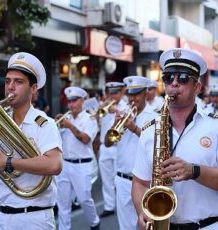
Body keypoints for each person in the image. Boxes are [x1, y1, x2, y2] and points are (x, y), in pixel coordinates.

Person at [132, 48, 218, 230]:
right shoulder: (149, 130)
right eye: (168, 78)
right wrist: (142, 210)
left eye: (183, 78)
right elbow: (139, 182)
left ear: (197, 87)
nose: (174, 84)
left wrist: (194, 171)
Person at [0, 52, 63, 229]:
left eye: (18, 82)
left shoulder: (45, 124)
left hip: (32, 218)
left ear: (33, 89)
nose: (10, 87)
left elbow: (54, 165)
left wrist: (9, 163)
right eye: (8, 81)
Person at [104, 76, 157, 230]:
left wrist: (133, 128)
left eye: (137, 94)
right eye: (130, 94)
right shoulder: (122, 113)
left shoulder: (154, 116)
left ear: (145, 94)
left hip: (144, 182)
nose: (133, 98)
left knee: (146, 224)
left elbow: (155, 143)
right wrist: (115, 124)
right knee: (125, 227)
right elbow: (108, 143)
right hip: (122, 179)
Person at [55, 86, 100, 230]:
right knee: (63, 202)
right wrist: (55, 126)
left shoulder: (90, 119)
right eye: (69, 101)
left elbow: (86, 139)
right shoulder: (66, 118)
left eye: (74, 101)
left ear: (82, 101)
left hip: (82, 165)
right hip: (65, 164)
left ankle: (94, 222)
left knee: (84, 199)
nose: (71, 104)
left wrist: (70, 126)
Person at [98, 82, 126, 218]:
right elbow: (98, 123)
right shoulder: (104, 106)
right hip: (105, 146)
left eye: (115, 92)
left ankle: (122, 204)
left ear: (121, 93)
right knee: (106, 180)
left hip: (118, 147)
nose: (113, 95)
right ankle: (109, 206)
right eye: (110, 93)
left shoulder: (125, 106)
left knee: (118, 179)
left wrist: (114, 109)